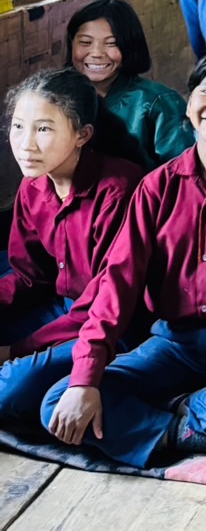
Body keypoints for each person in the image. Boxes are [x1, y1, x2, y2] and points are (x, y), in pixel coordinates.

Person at [40, 47, 206, 468]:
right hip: (173, 343)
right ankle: (191, 430)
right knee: (59, 400)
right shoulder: (156, 187)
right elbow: (117, 283)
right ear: (190, 101)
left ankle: (175, 413)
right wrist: (86, 375)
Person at [0, 71, 141, 428]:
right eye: (18, 127)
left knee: (9, 390)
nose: (26, 144)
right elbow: (30, 278)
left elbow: (104, 302)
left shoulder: (119, 190)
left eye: (43, 129)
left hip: (110, 326)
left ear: (83, 135)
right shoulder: (33, 187)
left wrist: (16, 352)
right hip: (58, 311)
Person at [65, 0, 188, 168]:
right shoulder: (59, 99)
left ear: (129, 46)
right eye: (85, 42)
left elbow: (182, 172)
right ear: (71, 44)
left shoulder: (158, 102)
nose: (97, 53)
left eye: (111, 43)